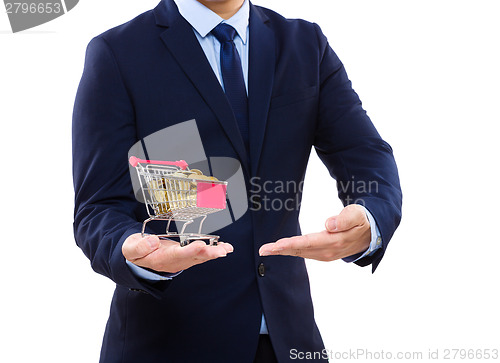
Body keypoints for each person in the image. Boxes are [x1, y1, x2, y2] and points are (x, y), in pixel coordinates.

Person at [72, 0, 402, 362]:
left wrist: (371, 219)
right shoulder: (117, 53)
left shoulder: (305, 44)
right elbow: (98, 207)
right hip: (167, 343)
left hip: (288, 341)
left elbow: (364, 153)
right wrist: (130, 249)